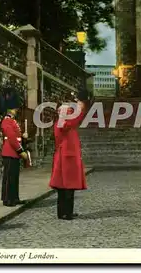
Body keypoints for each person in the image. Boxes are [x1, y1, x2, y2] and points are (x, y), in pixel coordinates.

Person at [49, 89, 89, 220]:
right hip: (67, 155)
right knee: (68, 186)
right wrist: (80, 111)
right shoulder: (64, 120)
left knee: (64, 186)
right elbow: (69, 123)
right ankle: (66, 212)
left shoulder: (63, 119)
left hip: (65, 154)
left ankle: (64, 212)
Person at [0, 87, 29, 207]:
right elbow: (11, 138)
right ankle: (7, 198)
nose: (16, 110)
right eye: (14, 108)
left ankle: (14, 197)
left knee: (14, 177)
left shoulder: (13, 121)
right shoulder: (6, 121)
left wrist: (23, 136)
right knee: (9, 177)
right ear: (9, 109)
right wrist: (20, 150)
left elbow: (16, 136)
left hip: (14, 152)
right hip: (10, 152)